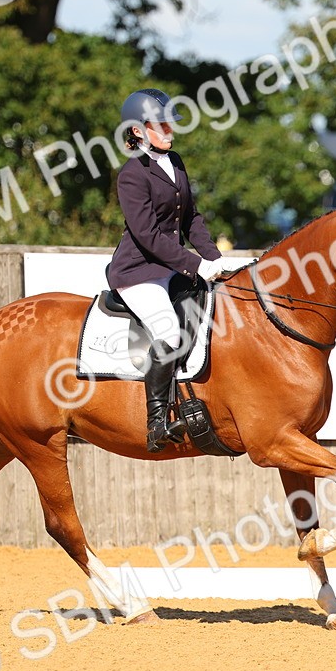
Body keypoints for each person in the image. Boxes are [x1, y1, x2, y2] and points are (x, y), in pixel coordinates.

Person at [106, 88, 232, 452]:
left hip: (172, 269)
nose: (169, 129)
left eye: (170, 123)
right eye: (160, 124)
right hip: (138, 272)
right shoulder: (131, 175)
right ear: (138, 130)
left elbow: (191, 218)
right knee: (169, 332)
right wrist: (196, 264)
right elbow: (147, 235)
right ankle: (156, 423)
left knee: (214, 311)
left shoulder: (175, 162)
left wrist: (215, 259)